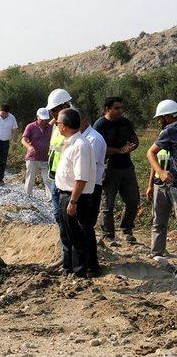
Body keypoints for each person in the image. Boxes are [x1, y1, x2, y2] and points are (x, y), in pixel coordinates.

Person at [54, 108, 96, 277]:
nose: (56, 125)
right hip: (66, 194)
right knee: (68, 234)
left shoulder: (80, 145)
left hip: (77, 196)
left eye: (58, 123)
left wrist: (73, 201)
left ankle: (80, 272)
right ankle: (69, 268)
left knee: (78, 236)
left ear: (64, 126)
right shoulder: (70, 142)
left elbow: (81, 178)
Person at [93, 96, 140, 244]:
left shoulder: (125, 122)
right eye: (116, 108)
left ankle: (126, 230)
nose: (120, 110)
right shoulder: (100, 125)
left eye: (121, 107)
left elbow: (135, 140)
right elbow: (100, 148)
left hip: (127, 167)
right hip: (109, 167)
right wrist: (119, 150)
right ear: (108, 109)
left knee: (133, 200)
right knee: (108, 205)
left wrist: (131, 146)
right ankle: (108, 235)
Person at [45, 88, 73, 270]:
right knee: (59, 218)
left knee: (67, 221)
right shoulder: (58, 124)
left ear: (65, 106)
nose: (52, 115)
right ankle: (66, 256)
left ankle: (69, 259)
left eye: (54, 110)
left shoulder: (74, 124)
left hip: (66, 182)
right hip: (55, 177)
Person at [146, 100, 177, 259]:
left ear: (167, 116)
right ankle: (157, 252)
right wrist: (152, 182)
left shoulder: (169, 131)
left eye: (160, 118)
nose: (159, 121)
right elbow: (152, 155)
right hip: (163, 182)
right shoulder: (167, 132)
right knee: (159, 220)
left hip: (173, 184)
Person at [80, 109, 107, 276]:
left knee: (87, 227)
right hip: (86, 186)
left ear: (84, 121)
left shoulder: (93, 139)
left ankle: (92, 266)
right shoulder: (84, 137)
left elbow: (88, 167)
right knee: (83, 226)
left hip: (91, 187)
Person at [22, 107, 53, 199]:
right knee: (30, 178)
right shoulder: (31, 126)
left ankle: (50, 198)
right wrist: (29, 147)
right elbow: (23, 139)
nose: (44, 121)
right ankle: (28, 197)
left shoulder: (50, 128)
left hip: (45, 158)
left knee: (47, 180)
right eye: (42, 119)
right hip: (32, 158)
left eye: (45, 119)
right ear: (37, 117)